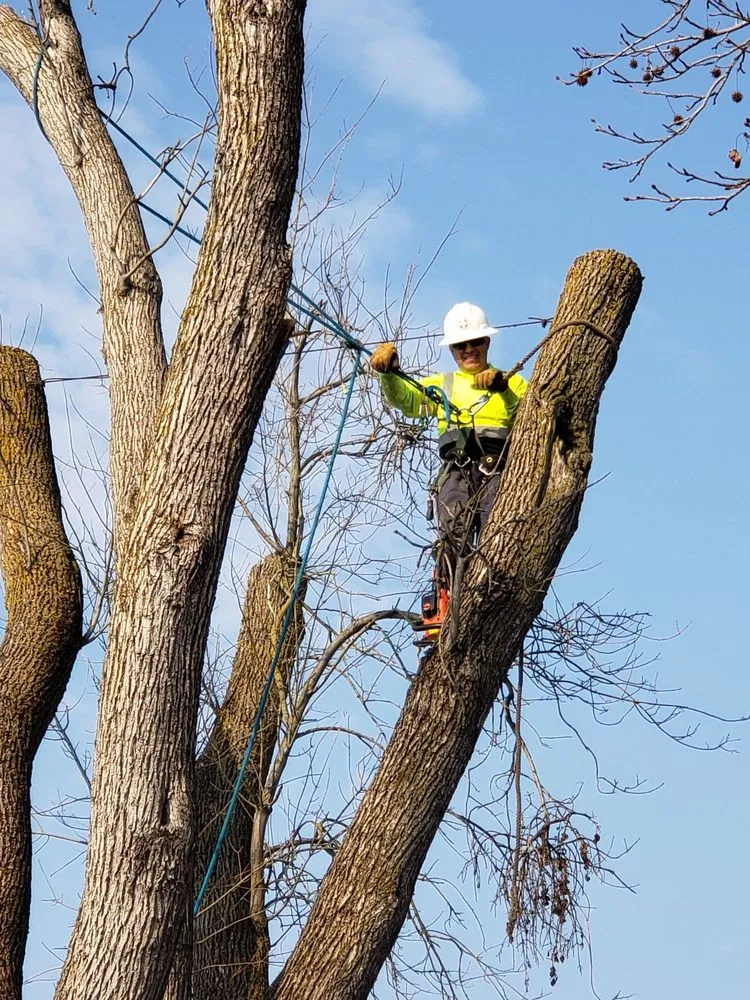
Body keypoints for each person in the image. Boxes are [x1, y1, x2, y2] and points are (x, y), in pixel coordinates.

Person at [370, 301, 528, 570]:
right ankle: (450, 586)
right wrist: (389, 374)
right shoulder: (442, 385)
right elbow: (408, 401)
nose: (468, 349)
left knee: (499, 538)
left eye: (475, 342)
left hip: (499, 471)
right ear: (452, 349)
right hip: (457, 471)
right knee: (453, 541)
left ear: (487, 342)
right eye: (460, 345)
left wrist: (502, 389)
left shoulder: (512, 381)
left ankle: (494, 582)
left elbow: (532, 416)